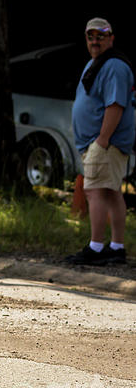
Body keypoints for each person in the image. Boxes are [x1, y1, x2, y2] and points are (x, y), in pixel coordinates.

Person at [66, 17, 135, 266]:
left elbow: (115, 105)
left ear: (111, 38)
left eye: (101, 35)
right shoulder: (97, 63)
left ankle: (96, 247)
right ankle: (116, 247)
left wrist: (102, 141)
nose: (95, 40)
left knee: (94, 192)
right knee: (111, 191)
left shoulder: (114, 66)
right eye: (90, 36)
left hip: (106, 143)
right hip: (100, 143)